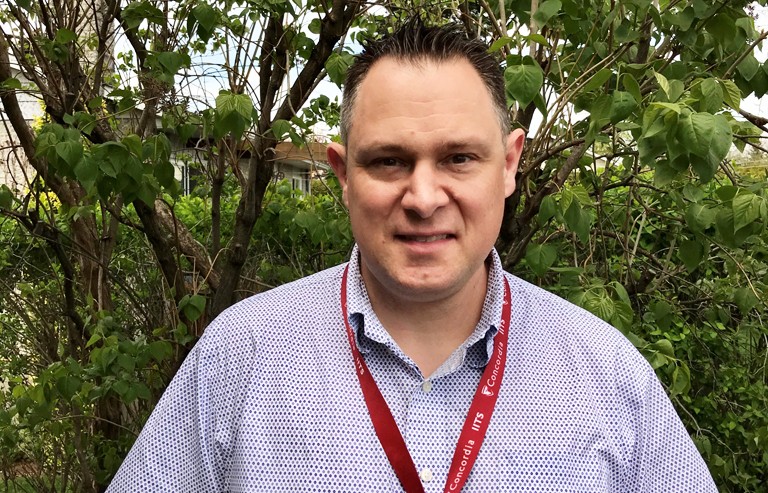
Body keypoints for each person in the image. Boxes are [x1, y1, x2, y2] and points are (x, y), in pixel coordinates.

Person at [107, 19, 717, 492]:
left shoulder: (610, 378)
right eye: (389, 161)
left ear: (507, 165)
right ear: (343, 173)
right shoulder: (236, 360)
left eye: (458, 158)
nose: (424, 199)